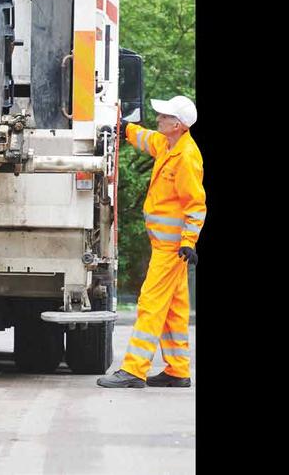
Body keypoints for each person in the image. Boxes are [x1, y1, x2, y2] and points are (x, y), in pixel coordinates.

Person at [97, 95, 205, 388]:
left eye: (164, 117)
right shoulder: (169, 145)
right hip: (167, 246)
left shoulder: (186, 157)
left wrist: (188, 241)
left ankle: (134, 369)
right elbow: (148, 139)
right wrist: (125, 129)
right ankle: (177, 370)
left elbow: (196, 204)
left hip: (173, 249)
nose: (158, 119)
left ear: (178, 125)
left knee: (151, 304)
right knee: (174, 308)